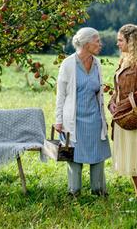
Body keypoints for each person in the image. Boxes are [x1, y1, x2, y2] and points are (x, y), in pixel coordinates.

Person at [55, 27, 111, 196]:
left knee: (97, 156)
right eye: (97, 41)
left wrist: (103, 119)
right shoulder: (68, 64)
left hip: (94, 118)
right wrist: (58, 119)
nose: (100, 44)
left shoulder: (97, 63)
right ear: (87, 43)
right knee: (73, 157)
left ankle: (99, 192)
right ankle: (74, 192)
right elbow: (61, 94)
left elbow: (98, 94)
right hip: (73, 119)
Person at [109, 24, 137, 198]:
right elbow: (118, 88)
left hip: (134, 116)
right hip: (122, 116)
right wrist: (112, 102)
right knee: (130, 157)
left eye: (120, 40)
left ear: (132, 41)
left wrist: (121, 106)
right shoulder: (124, 60)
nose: (118, 44)